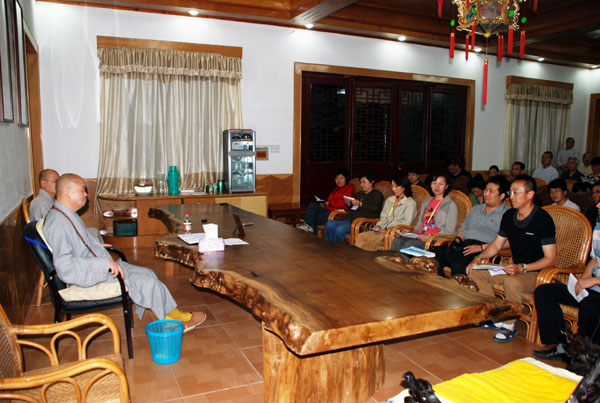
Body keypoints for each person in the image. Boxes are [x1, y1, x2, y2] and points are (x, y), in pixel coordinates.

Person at [43, 174, 206, 331]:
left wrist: (98, 246)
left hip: (97, 265)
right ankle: (171, 323)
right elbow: (65, 266)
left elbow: (82, 240)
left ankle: (174, 313)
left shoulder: (65, 214)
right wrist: (103, 263)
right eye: (82, 190)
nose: (86, 194)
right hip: (87, 274)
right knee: (148, 283)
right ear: (66, 192)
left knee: (148, 273)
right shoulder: (58, 223)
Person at [467, 175, 556, 343]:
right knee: (477, 273)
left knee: (512, 282)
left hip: (536, 273)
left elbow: (550, 259)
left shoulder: (542, 219)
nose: (511, 196)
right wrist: (478, 258)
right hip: (514, 268)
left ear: (530, 195)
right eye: (510, 192)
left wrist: (522, 268)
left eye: (516, 192)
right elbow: (496, 245)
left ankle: (507, 326)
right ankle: (494, 317)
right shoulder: (509, 216)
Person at [533, 206, 600, 361]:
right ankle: (561, 344)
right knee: (544, 292)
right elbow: (595, 258)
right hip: (593, 287)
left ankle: (581, 353)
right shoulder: (598, 226)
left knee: (590, 305)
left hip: (596, 289)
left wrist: (595, 280)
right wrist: (583, 278)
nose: (596, 205)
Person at [435, 175, 510, 277]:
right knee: (435, 255)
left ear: (502, 196)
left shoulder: (508, 214)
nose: (486, 194)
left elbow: (508, 242)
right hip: (465, 245)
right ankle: (441, 287)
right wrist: (457, 240)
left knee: (459, 264)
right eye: (486, 190)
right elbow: (463, 228)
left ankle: (458, 291)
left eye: (491, 191)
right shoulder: (476, 209)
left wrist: (481, 248)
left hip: (485, 249)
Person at [391, 172, 457, 252]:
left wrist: (430, 236)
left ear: (446, 186)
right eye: (434, 183)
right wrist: (411, 232)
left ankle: (404, 264)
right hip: (420, 236)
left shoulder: (450, 205)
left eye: (441, 184)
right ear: (430, 185)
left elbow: (449, 231)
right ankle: (392, 263)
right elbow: (420, 223)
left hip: (435, 240)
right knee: (397, 240)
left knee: (409, 244)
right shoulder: (427, 202)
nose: (437, 186)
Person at [354, 174, 417, 251]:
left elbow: (406, 224)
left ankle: (369, 261)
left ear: (404, 186)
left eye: (396, 186)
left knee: (373, 241)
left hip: (394, 233)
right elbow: (383, 217)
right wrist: (379, 226)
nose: (393, 189)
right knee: (361, 236)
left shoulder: (410, 203)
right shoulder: (390, 200)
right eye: (392, 186)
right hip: (382, 230)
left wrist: (387, 229)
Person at [325, 170, 383, 242]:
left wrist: (360, 204)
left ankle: (338, 250)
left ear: (372, 182)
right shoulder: (359, 194)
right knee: (329, 224)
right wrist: (349, 204)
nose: (362, 185)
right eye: (361, 183)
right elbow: (353, 208)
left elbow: (374, 208)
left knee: (339, 230)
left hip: (362, 222)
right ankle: (330, 247)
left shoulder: (377, 194)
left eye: (364, 182)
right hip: (350, 218)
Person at [297, 168, 355, 234]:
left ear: (346, 179)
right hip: (329, 209)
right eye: (337, 178)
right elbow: (329, 200)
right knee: (312, 206)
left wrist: (329, 203)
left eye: (341, 178)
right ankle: (308, 226)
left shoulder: (350, 188)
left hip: (338, 213)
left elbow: (343, 204)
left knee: (317, 216)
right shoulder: (336, 190)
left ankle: (310, 229)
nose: (338, 181)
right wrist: (324, 204)